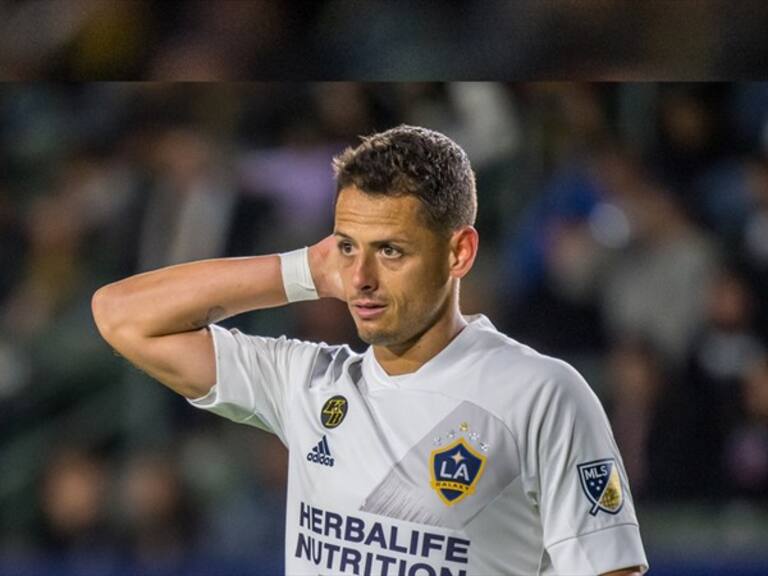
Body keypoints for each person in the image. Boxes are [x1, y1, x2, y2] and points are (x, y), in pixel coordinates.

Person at [92, 125, 647, 575]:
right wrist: (304, 269)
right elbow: (122, 317)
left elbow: (608, 569)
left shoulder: (541, 393)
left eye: (390, 251)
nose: (359, 279)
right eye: (347, 247)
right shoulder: (306, 382)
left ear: (459, 252)